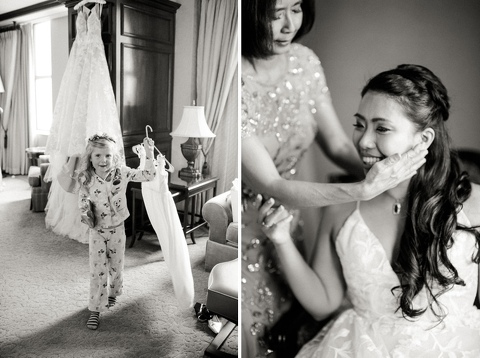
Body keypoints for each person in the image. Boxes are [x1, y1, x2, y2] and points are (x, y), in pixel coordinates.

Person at [241, 0, 428, 356]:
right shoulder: (236, 80)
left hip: (291, 219)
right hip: (256, 216)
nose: (288, 24)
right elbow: (274, 187)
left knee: (290, 315)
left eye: (296, 8)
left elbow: (341, 145)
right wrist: (364, 187)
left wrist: (401, 175)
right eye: (274, 13)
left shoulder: (304, 63)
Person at [258, 64, 480, 357]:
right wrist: (282, 240)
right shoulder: (341, 210)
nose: (363, 141)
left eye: (382, 128)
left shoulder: (474, 205)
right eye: (359, 124)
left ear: (423, 139)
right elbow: (324, 301)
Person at [77, 133, 156, 330]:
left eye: (108, 156)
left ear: (115, 157)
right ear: (90, 157)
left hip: (118, 229)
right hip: (97, 230)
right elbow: (82, 200)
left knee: (116, 265)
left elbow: (148, 175)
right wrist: (86, 210)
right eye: (98, 156)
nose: (103, 160)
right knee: (97, 270)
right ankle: (95, 308)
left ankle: (114, 292)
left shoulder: (122, 172)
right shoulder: (86, 177)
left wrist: (149, 153)